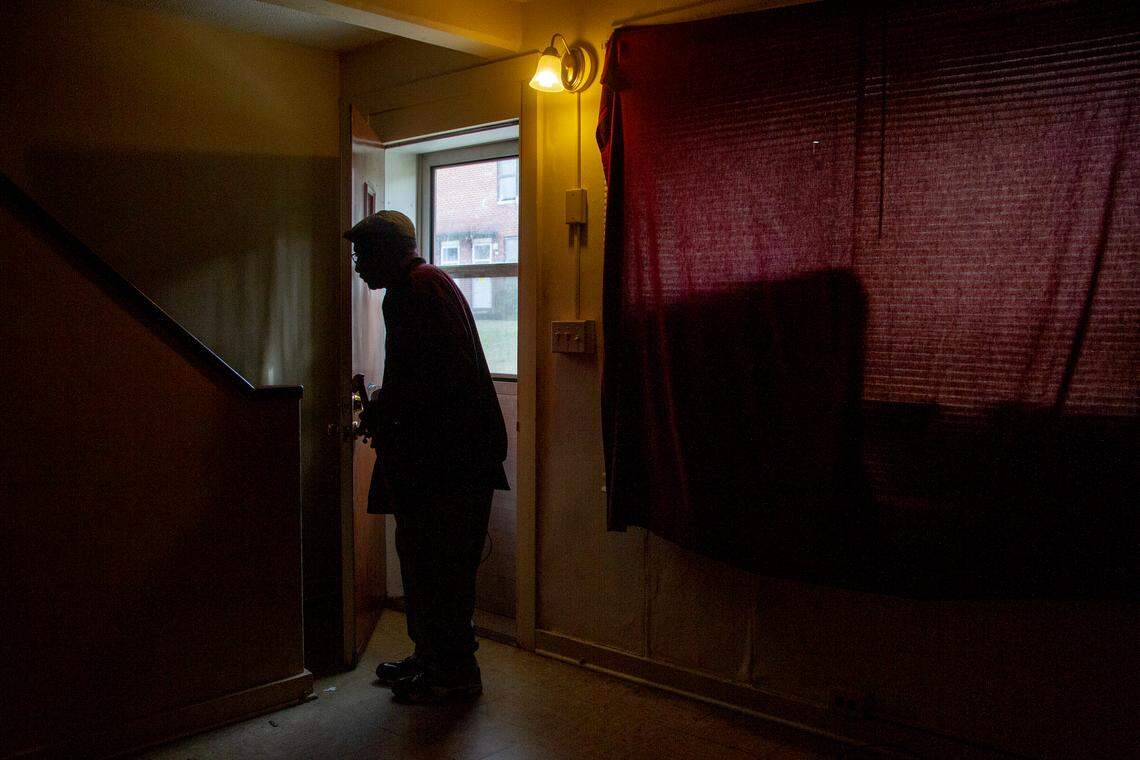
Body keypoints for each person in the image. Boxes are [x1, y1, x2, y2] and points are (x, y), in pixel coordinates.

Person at [344, 210, 509, 704]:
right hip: (454, 462)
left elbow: (424, 384)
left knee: (435, 572)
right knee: (436, 570)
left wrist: (385, 412)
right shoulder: (431, 283)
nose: (356, 266)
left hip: (443, 467)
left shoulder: (410, 293)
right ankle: (434, 659)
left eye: (362, 253)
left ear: (389, 251)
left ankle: (451, 676)